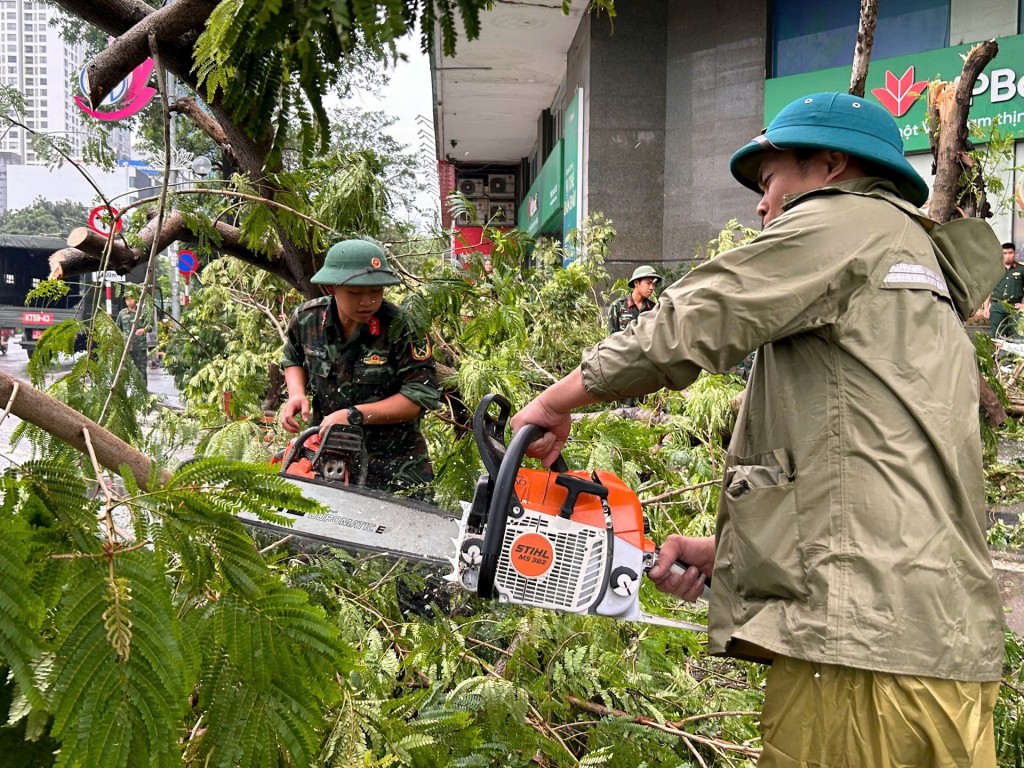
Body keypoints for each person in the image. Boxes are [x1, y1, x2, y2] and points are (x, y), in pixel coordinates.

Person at [510, 93, 1005, 766]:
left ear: (830, 166)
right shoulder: (915, 263)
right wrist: (731, 550)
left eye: (770, 180)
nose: (761, 204)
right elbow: (874, 462)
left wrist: (557, 401)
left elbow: (690, 322)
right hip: (935, 641)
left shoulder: (842, 223)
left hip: (863, 649)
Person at [280, 240, 440, 495]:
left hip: (396, 467)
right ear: (332, 287)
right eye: (355, 293)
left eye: (376, 291)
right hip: (330, 459)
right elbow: (293, 358)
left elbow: (419, 397)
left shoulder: (403, 328)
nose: (368, 301)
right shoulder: (308, 319)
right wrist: (296, 394)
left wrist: (354, 415)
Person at [607, 264, 660, 333]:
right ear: (636, 283)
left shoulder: (654, 308)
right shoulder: (617, 306)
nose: (651, 288)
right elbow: (611, 339)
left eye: (654, 284)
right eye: (648, 283)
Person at [986, 242, 1023, 337]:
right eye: (1005, 253)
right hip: (997, 306)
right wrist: (986, 308)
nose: (1008, 256)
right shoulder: (995, 269)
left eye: (1010, 253)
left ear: (1015, 253)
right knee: (998, 336)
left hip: (1015, 307)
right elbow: (988, 289)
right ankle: (999, 352)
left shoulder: (1021, 269)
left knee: (1018, 335)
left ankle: (1015, 352)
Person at [115, 288, 149, 385]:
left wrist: (144, 330)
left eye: (131, 298)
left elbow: (150, 325)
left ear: (136, 299)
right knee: (126, 370)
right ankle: (129, 393)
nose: (129, 301)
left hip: (140, 346)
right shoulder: (122, 314)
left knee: (141, 369)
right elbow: (117, 329)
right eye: (127, 299)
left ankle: (143, 391)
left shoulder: (142, 311)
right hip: (127, 347)